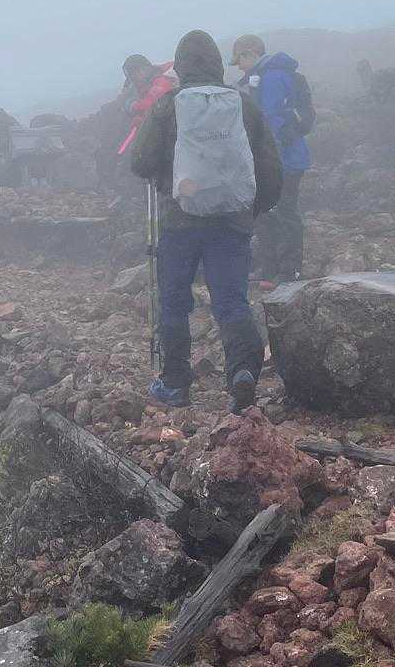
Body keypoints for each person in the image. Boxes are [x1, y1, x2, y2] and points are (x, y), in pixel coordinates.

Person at [130, 30, 282, 412]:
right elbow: (270, 166)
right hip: (232, 218)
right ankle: (242, 372)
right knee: (231, 299)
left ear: (181, 66)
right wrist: (253, 208)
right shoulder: (243, 104)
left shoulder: (167, 105)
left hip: (179, 219)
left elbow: (140, 162)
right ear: (216, 64)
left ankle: (175, 383)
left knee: (174, 301)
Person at [231, 34, 312, 281]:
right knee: (266, 213)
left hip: (284, 160)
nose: (239, 66)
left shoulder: (273, 78)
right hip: (277, 159)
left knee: (284, 212)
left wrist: (266, 158)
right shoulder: (262, 77)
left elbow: (271, 120)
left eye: (239, 60)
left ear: (250, 53)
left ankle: (289, 270)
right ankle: (270, 269)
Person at [117, 54, 178, 156]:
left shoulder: (163, 79)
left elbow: (150, 103)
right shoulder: (147, 81)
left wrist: (133, 107)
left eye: (135, 73)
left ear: (144, 68)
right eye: (132, 76)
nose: (134, 79)